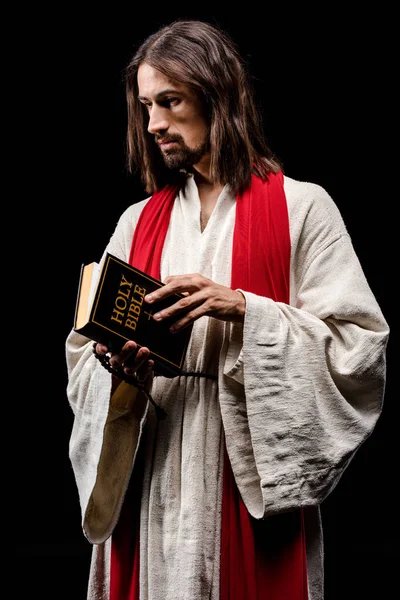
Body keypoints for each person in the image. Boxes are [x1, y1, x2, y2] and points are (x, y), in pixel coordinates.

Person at [65, 19, 389, 600]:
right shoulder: (135, 223)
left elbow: (358, 348)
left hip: (244, 473)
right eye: (145, 106)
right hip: (154, 469)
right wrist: (119, 371)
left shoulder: (302, 208)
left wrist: (245, 310)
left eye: (170, 101)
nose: (154, 123)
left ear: (219, 96)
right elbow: (81, 357)